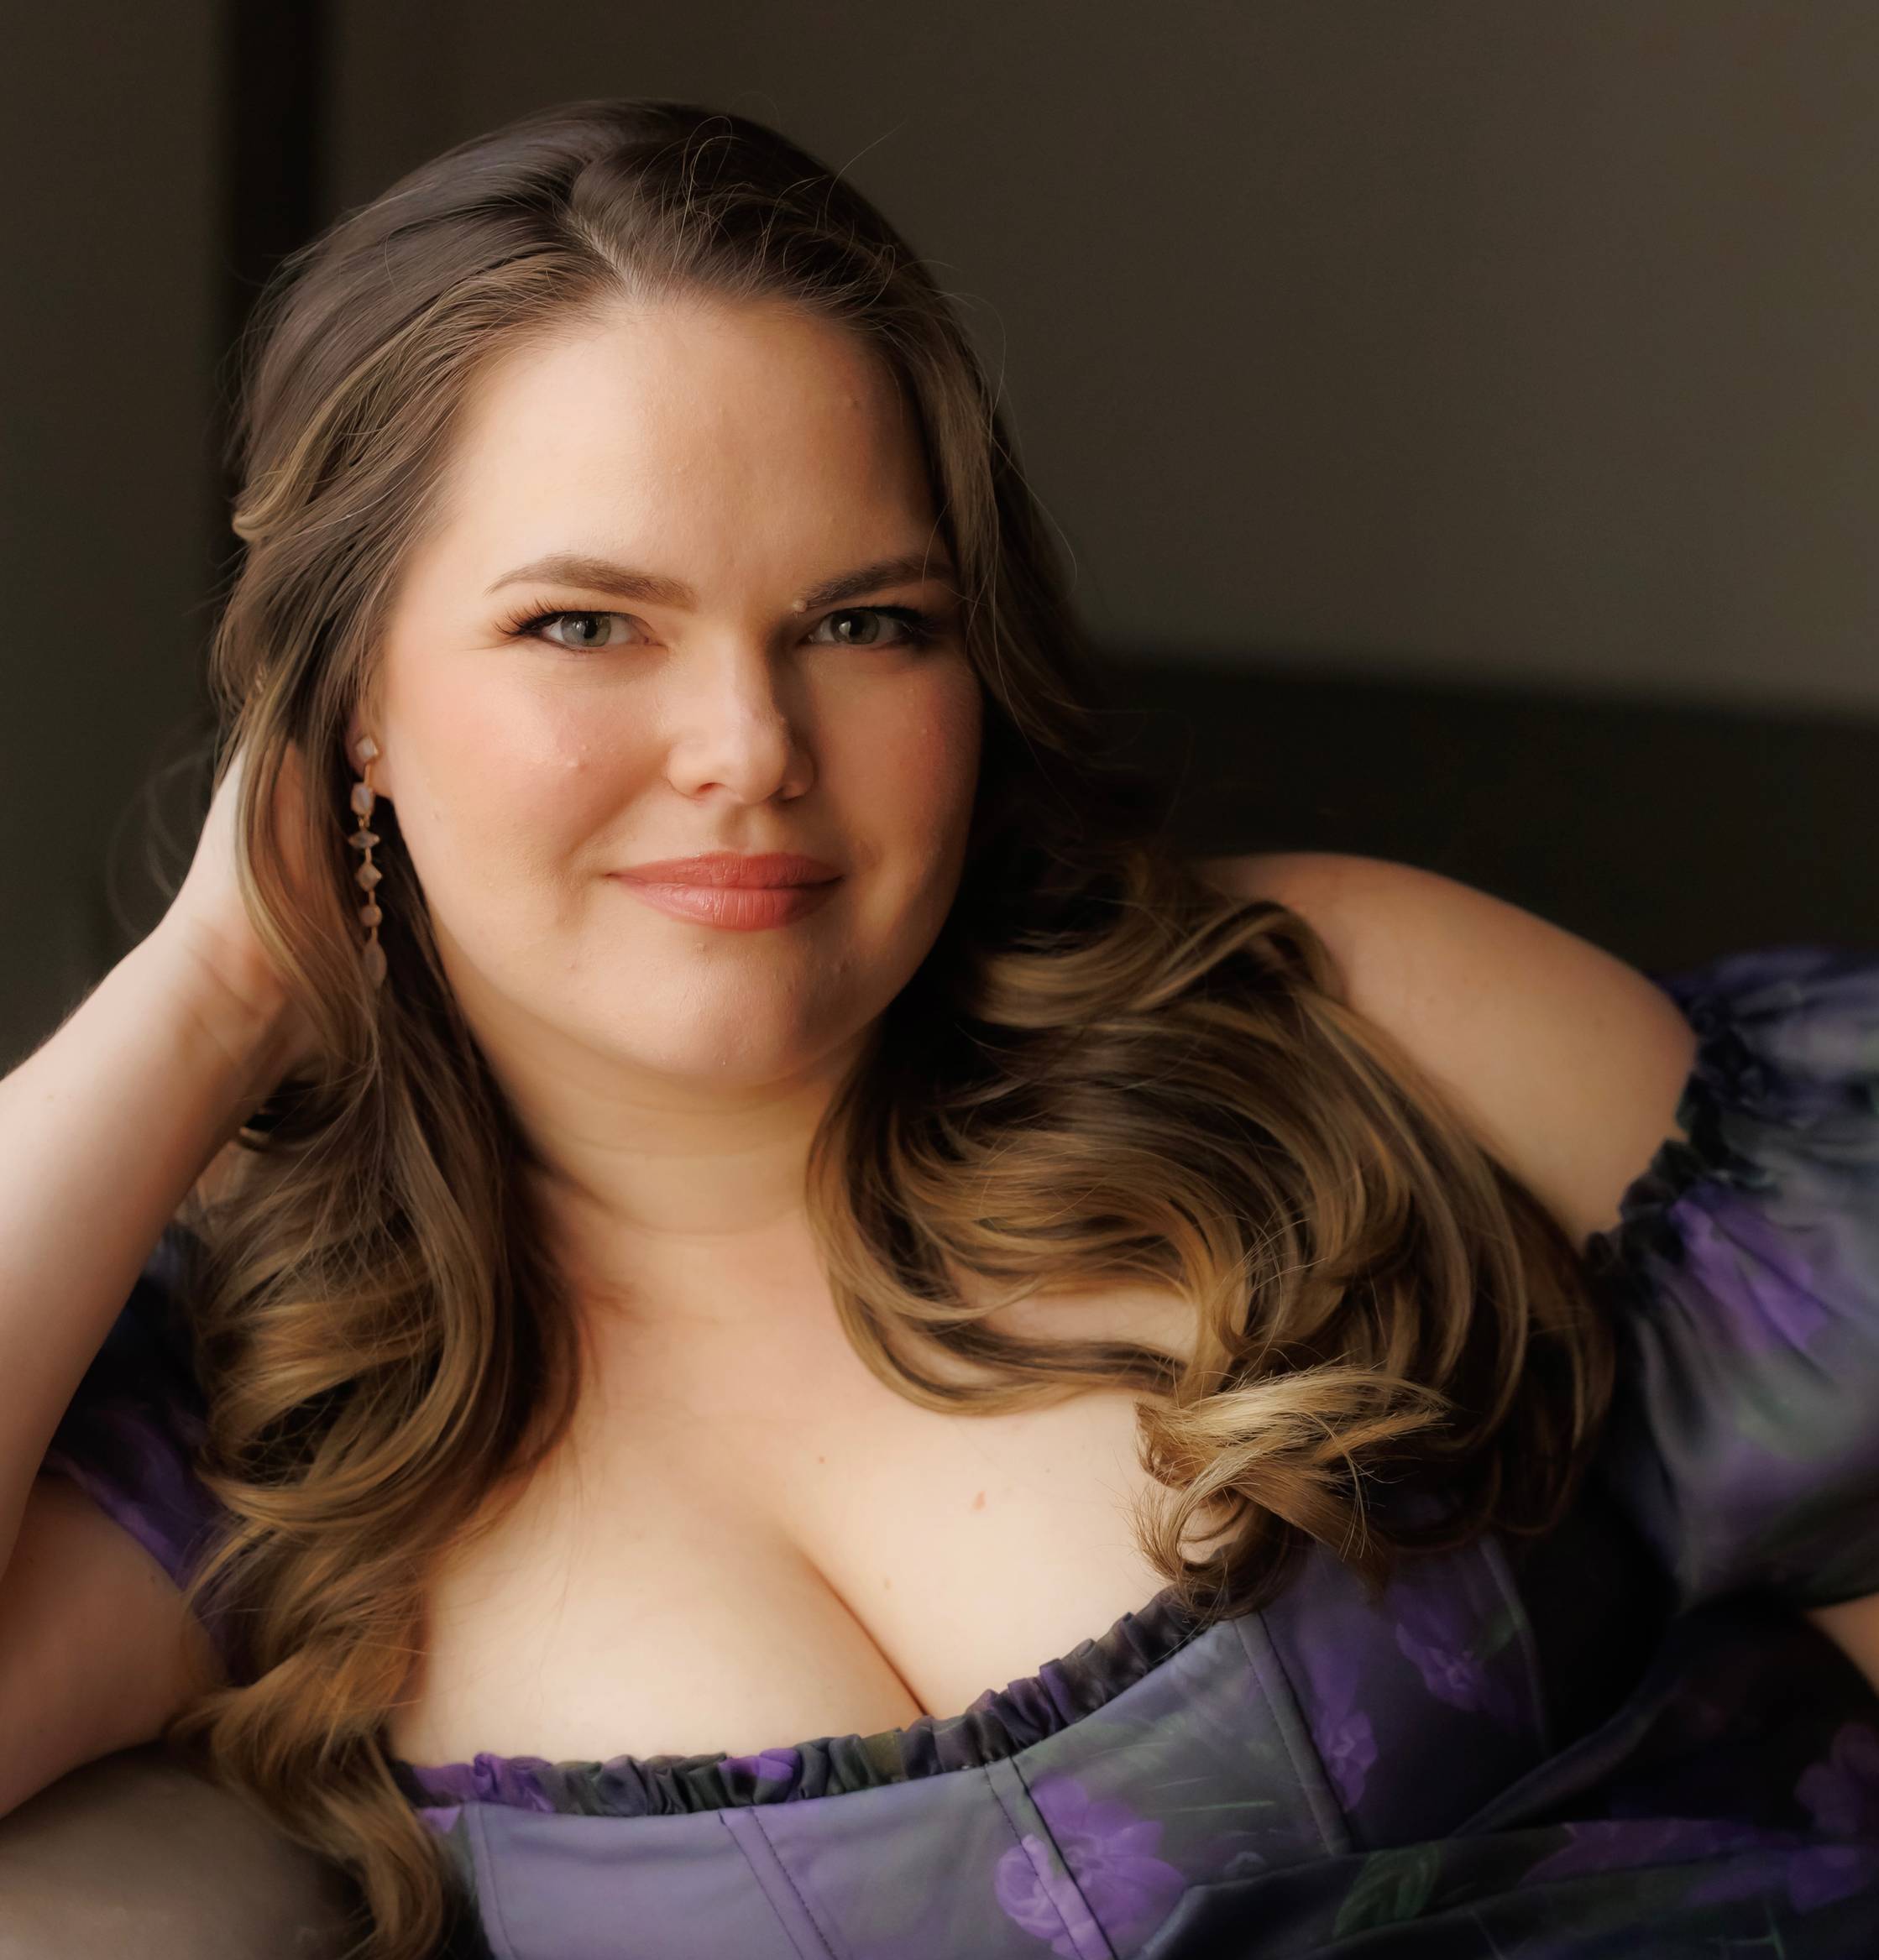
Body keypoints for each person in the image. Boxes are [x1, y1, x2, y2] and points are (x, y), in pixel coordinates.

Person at [3, 96, 1878, 1960]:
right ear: (349, 700)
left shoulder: (1347, 1009)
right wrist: (217, 981)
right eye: (584, 624)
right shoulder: (270, 1410)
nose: (750, 747)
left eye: (864, 624)